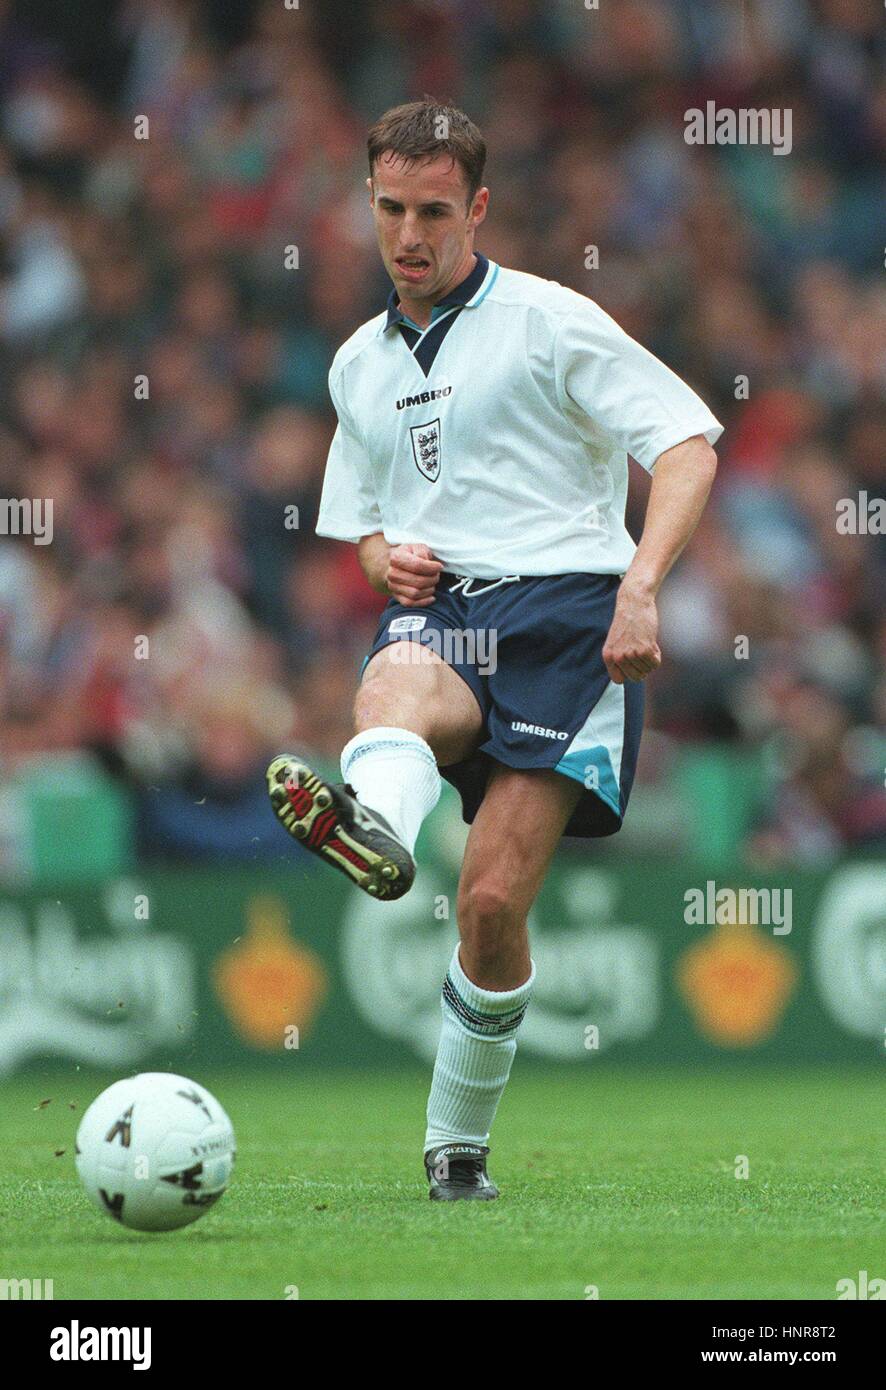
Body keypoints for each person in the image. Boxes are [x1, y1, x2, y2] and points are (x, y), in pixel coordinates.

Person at [267, 100, 722, 1200]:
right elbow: (365, 521)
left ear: (476, 208)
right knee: (392, 688)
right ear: (366, 204)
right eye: (388, 208)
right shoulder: (355, 365)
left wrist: (642, 588)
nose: (408, 234)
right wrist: (384, 562)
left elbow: (688, 444)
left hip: (572, 619)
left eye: (432, 210)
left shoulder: (549, 319)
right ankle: (374, 820)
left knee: (488, 908)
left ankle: (455, 1148)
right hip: (450, 611)